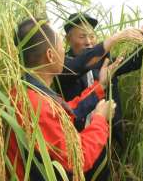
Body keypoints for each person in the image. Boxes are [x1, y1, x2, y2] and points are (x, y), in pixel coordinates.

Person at [7, 17, 120, 181]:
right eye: (61, 46)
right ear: (50, 55)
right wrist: (100, 120)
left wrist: (100, 86)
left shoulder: (27, 92)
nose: (65, 53)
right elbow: (78, 158)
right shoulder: (35, 105)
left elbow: (65, 112)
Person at [56, 12, 143, 180]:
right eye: (82, 36)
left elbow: (132, 61)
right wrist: (115, 38)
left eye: (92, 36)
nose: (88, 42)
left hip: (104, 137)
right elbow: (78, 66)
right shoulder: (63, 65)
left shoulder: (104, 62)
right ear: (68, 40)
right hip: (76, 141)